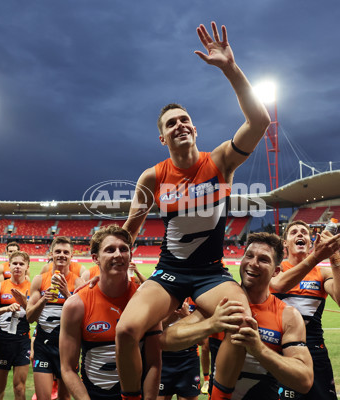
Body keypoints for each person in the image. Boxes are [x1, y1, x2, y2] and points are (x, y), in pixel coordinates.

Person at [116, 21, 272, 400]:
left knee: (241, 321)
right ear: (162, 137)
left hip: (210, 274)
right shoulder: (152, 177)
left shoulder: (219, 161)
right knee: (124, 331)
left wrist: (230, 69)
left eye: (185, 120)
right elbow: (130, 230)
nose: (180, 125)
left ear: (195, 129)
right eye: (172, 123)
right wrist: (112, 259)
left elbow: (260, 121)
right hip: (169, 272)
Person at [160, 232, 315, 399]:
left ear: (276, 271)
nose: (253, 264)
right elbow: (165, 340)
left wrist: (259, 349)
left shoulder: (288, 315)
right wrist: (212, 324)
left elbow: (304, 381)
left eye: (263, 259)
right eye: (249, 256)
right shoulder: (221, 304)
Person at [59, 225, 161, 400]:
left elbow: (154, 364)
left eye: (124, 249)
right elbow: (68, 368)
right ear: (95, 258)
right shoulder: (76, 305)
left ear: (130, 255)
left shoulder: (146, 303)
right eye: (110, 250)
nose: (118, 255)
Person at [270, 220, 340, 400]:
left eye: (304, 233)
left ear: (310, 241)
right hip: (280, 351)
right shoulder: (277, 269)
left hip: (315, 352)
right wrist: (316, 256)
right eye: (294, 232)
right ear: (285, 243)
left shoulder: (322, 274)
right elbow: (279, 286)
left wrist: (334, 256)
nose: (300, 234)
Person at [26, 236, 84, 400]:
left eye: (66, 252)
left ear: (71, 256)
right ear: (51, 253)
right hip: (43, 344)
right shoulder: (39, 280)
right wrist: (44, 299)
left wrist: (66, 294)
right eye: (58, 251)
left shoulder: (78, 282)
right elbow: (30, 317)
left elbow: (83, 318)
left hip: (67, 346)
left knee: (64, 397)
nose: (62, 255)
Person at [0, 250, 31, 400]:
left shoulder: (31, 288)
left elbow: (35, 317)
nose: (18, 266)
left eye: (21, 264)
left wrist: (24, 303)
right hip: (2, 342)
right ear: (9, 266)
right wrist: (6, 308)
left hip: (23, 342)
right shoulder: (0, 286)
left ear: (27, 267)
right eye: (15, 263)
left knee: (19, 388)